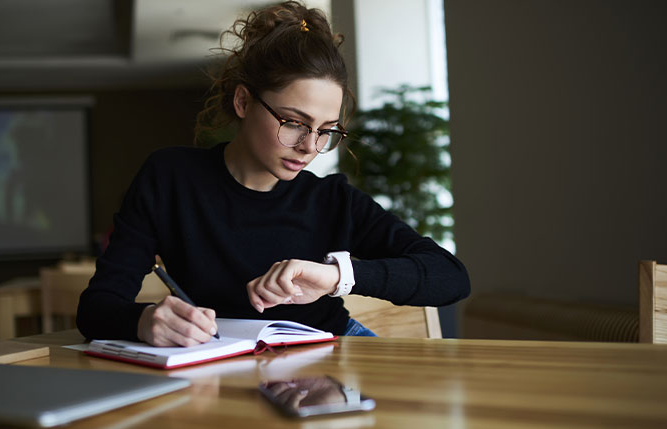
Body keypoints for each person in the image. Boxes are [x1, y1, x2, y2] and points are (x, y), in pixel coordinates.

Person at [76, 1, 469, 347]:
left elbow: (450, 277)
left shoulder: (331, 199)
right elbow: (97, 308)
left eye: (326, 130)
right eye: (294, 122)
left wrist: (335, 277)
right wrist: (144, 321)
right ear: (244, 101)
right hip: (222, 359)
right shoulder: (170, 178)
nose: (310, 146)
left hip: (331, 352)